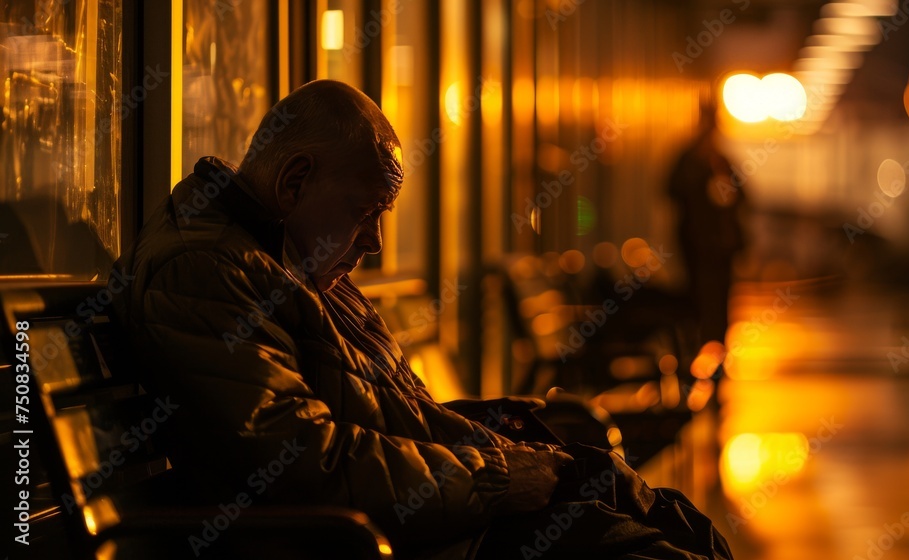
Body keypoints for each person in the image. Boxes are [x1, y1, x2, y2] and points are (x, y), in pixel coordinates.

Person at [111, 80, 733, 559]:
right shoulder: (204, 271)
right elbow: (307, 465)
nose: (376, 241)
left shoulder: (291, 260)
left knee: (667, 516)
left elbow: (390, 416)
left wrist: (505, 431)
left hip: (427, 518)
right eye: (366, 212)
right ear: (295, 181)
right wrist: (493, 477)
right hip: (379, 540)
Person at [665, 99, 749, 349]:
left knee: (720, 295)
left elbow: (743, 196)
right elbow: (671, 190)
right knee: (698, 293)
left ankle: (716, 342)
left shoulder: (721, 162)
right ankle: (698, 341)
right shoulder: (689, 159)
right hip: (696, 244)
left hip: (720, 246)